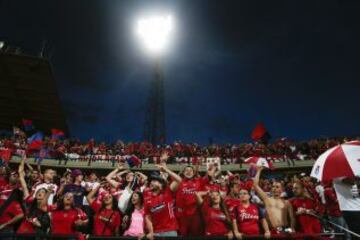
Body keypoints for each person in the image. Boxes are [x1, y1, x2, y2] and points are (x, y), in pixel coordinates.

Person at [143, 163, 182, 239]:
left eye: (154, 181)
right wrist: (151, 232)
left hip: (170, 231)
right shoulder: (147, 199)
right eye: (151, 181)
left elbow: (179, 180)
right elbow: (148, 217)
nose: (151, 182)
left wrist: (166, 170)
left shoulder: (167, 192)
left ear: (161, 186)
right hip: (156, 232)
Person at [253, 166, 296, 234]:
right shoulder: (267, 199)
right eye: (273, 187)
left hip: (286, 230)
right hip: (273, 231)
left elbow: (292, 218)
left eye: (277, 187)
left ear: (282, 189)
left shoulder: (287, 202)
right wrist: (259, 170)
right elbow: (255, 185)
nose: (274, 188)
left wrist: (292, 228)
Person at [17, 157, 51, 236]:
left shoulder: (47, 208)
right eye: (39, 191)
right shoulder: (29, 200)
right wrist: (22, 162)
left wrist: (40, 225)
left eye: (43, 192)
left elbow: (47, 225)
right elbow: (22, 180)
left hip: (36, 234)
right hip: (21, 232)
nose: (40, 193)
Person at [176, 164, 207, 236]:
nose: (188, 172)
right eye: (186, 170)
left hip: (196, 216)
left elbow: (208, 177)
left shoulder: (199, 181)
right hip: (182, 217)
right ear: (183, 173)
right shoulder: (178, 182)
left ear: (194, 173)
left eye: (190, 170)